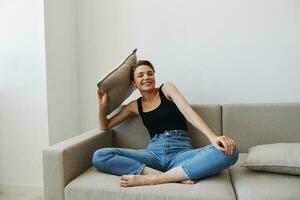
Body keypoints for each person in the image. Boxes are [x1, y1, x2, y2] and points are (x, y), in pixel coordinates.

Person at [92, 60, 239, 187]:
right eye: (140, 75)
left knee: (230, 152)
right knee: (100, 156)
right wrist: (102, 108)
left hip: (181, 153)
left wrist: (213, 137)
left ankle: (155, 179)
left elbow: (188, 111)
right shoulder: (134, 106)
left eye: (150, 73)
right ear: (134, 83)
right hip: (153, 155)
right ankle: (174, 176)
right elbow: (104, 125)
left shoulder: (166, 88)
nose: (146, 77)